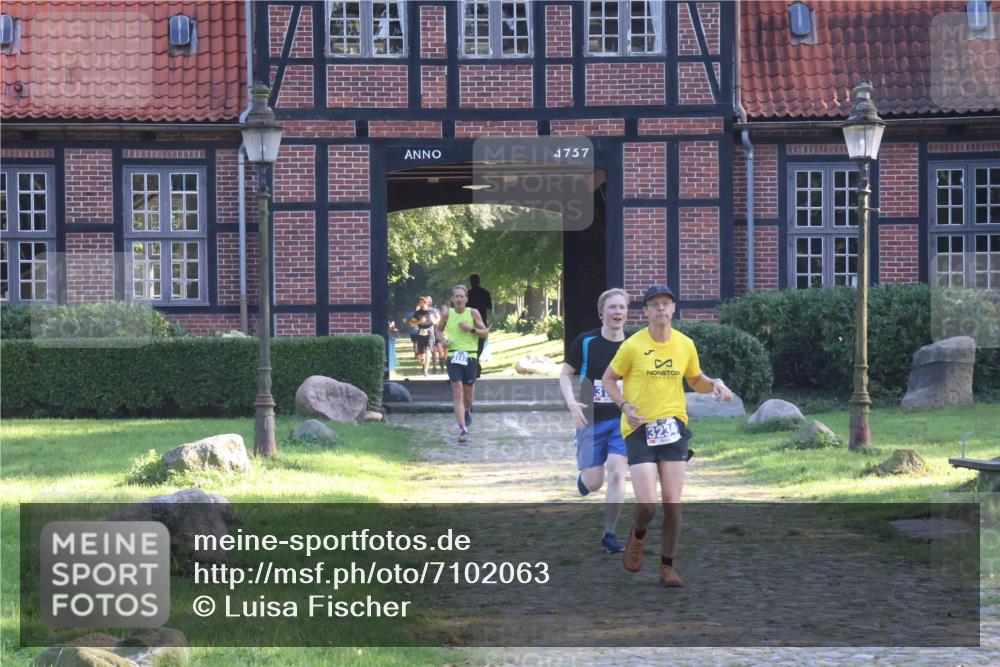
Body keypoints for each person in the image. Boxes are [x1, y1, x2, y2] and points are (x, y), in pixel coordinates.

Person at [602, 285, 733, 588]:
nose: (661, 309)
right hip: (639, 428)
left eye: (666, 304)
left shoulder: (684, 344)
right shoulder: (633, 346)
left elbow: (695, 379)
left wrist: (714, 384)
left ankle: (667, 566)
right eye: (654, 305)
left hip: (673, 429)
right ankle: (638, 532)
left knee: (673, 503)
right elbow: (609, 379)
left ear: (673, 309)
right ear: (645, 311)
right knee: (647, 504)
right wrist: (624, 405)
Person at [559, 288, 630, 554]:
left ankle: (609, 532)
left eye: (622, 307)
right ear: (602, 313)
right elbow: (565, 375)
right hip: (590, 419)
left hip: (622, 419)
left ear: (626, 313)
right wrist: (571, 402)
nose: (617, 312)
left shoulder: (634, 344)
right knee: (593, 483)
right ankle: (583, 480)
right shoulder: (586, 341)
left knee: (617, 469)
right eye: (612, 307)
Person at [437, 284, 489, 443]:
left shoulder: (473, 313)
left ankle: (467, 410)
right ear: (452, 299)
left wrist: (471, 329)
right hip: (453, 356)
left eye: (462, 296)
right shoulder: (447, 313)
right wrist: (442, 340)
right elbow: (438, 330)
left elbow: (485, 334)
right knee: (457, 389)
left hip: (470, 357)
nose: (459, 299)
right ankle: (463, 429)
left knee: (469, 396)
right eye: (456, 296)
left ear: (466, 299)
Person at [466, 275, 492, 376]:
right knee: (471, 344)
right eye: (471, 281)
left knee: (480, 343)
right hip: (469, 322)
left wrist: (479, 305)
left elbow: (489, 306)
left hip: (481, 322)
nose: (473, 283)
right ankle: (474, 365)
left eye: (474, 281)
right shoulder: (468, 294)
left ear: (478, 282)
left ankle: (475, 363)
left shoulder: (484, 293)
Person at [409, 297, 434, 376]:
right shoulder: (417, 313)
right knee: (421, 355)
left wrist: (434, 320)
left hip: (430, 334)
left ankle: (425, 371)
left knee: (428, 352)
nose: (420, 304)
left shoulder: (432, 311)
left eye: (422, 303)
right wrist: (419, 321)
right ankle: (423, 365)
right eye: (419, 303)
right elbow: (411, 324)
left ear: (426, 303)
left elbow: (438, 320)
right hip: (421, 334)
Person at [424, 295, 446, 374]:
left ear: (430, 302)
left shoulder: (435, 310)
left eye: (426, 300)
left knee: (440, 351)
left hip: (437, 334)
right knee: (432, 351)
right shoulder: (422, 310)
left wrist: (434, 321)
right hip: (429, 334)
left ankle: (442, 367)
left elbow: (439, 320)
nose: (425, 302)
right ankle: (434, 367)